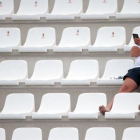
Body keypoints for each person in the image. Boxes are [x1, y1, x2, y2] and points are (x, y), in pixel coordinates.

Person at [99, 37, 140, 115]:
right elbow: (133, 53)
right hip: (137, 69)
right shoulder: (138, 45)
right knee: (124, 89)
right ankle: (108, 107)